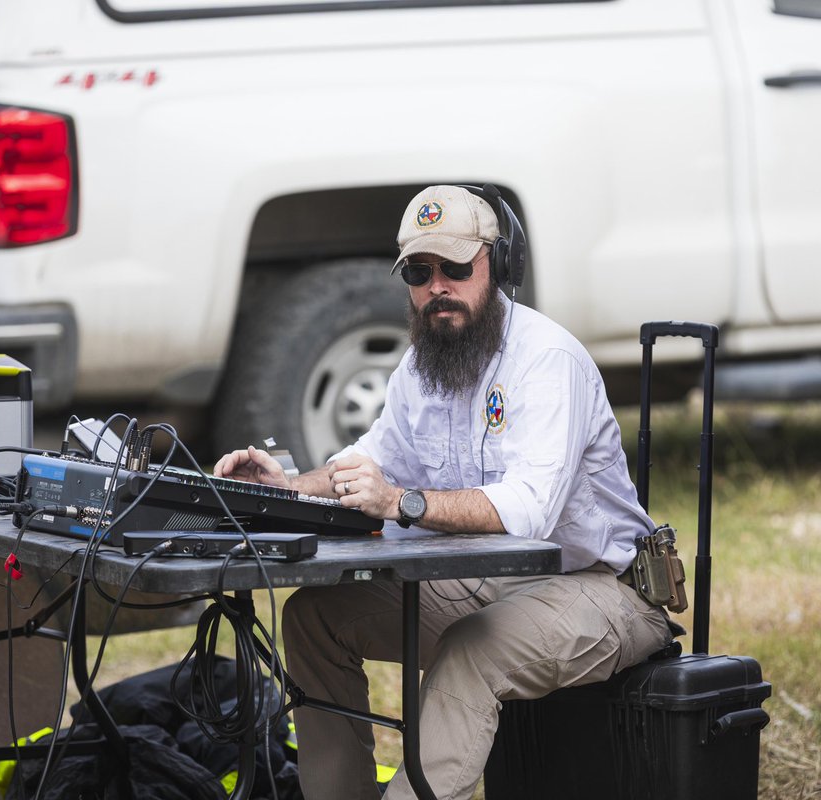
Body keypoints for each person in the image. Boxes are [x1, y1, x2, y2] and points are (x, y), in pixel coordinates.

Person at [214, 185, 671, 800]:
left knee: (469, 651)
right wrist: (288, 488)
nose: (438, 285)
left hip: (603, 590)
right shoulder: (421, 364)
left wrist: (402, 502)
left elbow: (529, 510)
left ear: (499, 266)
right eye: (420, 271)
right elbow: (369, 460)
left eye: (457, 267)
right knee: (315, 618)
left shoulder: (547, 359)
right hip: (497, 582)